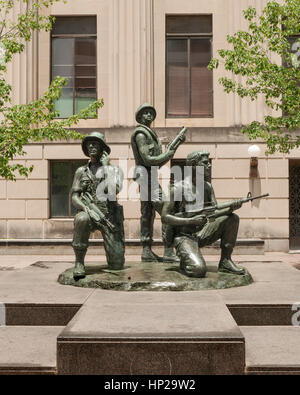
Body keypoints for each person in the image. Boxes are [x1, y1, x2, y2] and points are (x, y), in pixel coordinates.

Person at [161, 150, 246, 277]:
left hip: (203, 231)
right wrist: (190, 221)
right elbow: (165, 217)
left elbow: (214, 211)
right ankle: (187, 258)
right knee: (198, 270)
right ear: (194, 165)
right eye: (205, 163)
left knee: (232, 218)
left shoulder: (207, 187)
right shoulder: (178, 188)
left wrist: (229, 209)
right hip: (184, 236)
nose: (209, 165)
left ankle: (225, 261)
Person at [131, 103, 186, 262]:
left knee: (147, 215)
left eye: (151, 113)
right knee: (166, 212)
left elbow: (156, 163)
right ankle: (168, 251)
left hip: (149, 177)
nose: (149, 115)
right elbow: (148, 160)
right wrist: (168, 154)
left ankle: (146, 251)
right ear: (140, 116)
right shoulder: (141, 134)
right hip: (147, 179)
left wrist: (172, 149)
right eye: (145, 113)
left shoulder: (150, 134)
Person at [71, 131, 125, 279]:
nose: (92, 146)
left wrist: (106, 168)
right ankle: (79, 263)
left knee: (117, 264)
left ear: (103, 148)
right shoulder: (81, 172)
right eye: (89, 144)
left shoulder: (115, 170)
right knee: (81, 219)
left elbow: (113, 191)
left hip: (109, 216)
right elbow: (74, 196)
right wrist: (85, 208)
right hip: (89, 212)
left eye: (95, 143)